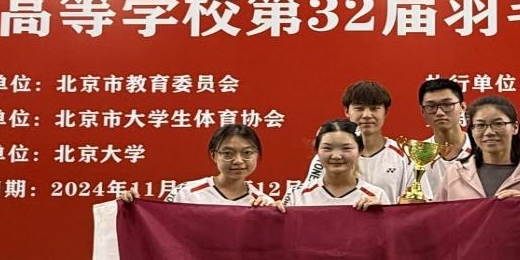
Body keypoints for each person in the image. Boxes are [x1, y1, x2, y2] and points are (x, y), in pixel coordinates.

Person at [289, 80, 412, 204]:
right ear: (347, 111)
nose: (367, 115)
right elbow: (308, 200)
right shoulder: (325, 158)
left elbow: (412, 204)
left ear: (386, 112)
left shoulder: (403, 156)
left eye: (374, 108)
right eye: (359, 108)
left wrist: (383, 209)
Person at [118, 124, 281, 208]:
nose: (238, 160)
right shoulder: (186, 193)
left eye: (247, 153)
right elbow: (159, 229)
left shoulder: (263, 202)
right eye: (227, 153)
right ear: (213, 155)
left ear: (257, 155)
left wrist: (276, 215)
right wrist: (133, 208)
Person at [433, 95, 520, 200]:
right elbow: (439, 217)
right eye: (480, 125)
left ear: (515, 127)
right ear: (472, 130)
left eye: (498, 124)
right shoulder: (455, 173)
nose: (489, 132)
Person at [289, 119, 388, 209]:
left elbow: (389, 223)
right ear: (317, 150)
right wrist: (279, 212)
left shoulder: (376, 195)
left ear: (360, 150)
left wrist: (380, 212)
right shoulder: (297, 195)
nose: (336, 156)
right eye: (327, 148)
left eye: (346, 148)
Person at [415, 77, 474, 200]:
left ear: (463, 107)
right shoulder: (416, 156)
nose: (440, 112)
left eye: (447, 105)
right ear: (422, 112)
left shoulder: (482, 150)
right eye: (431, 106)